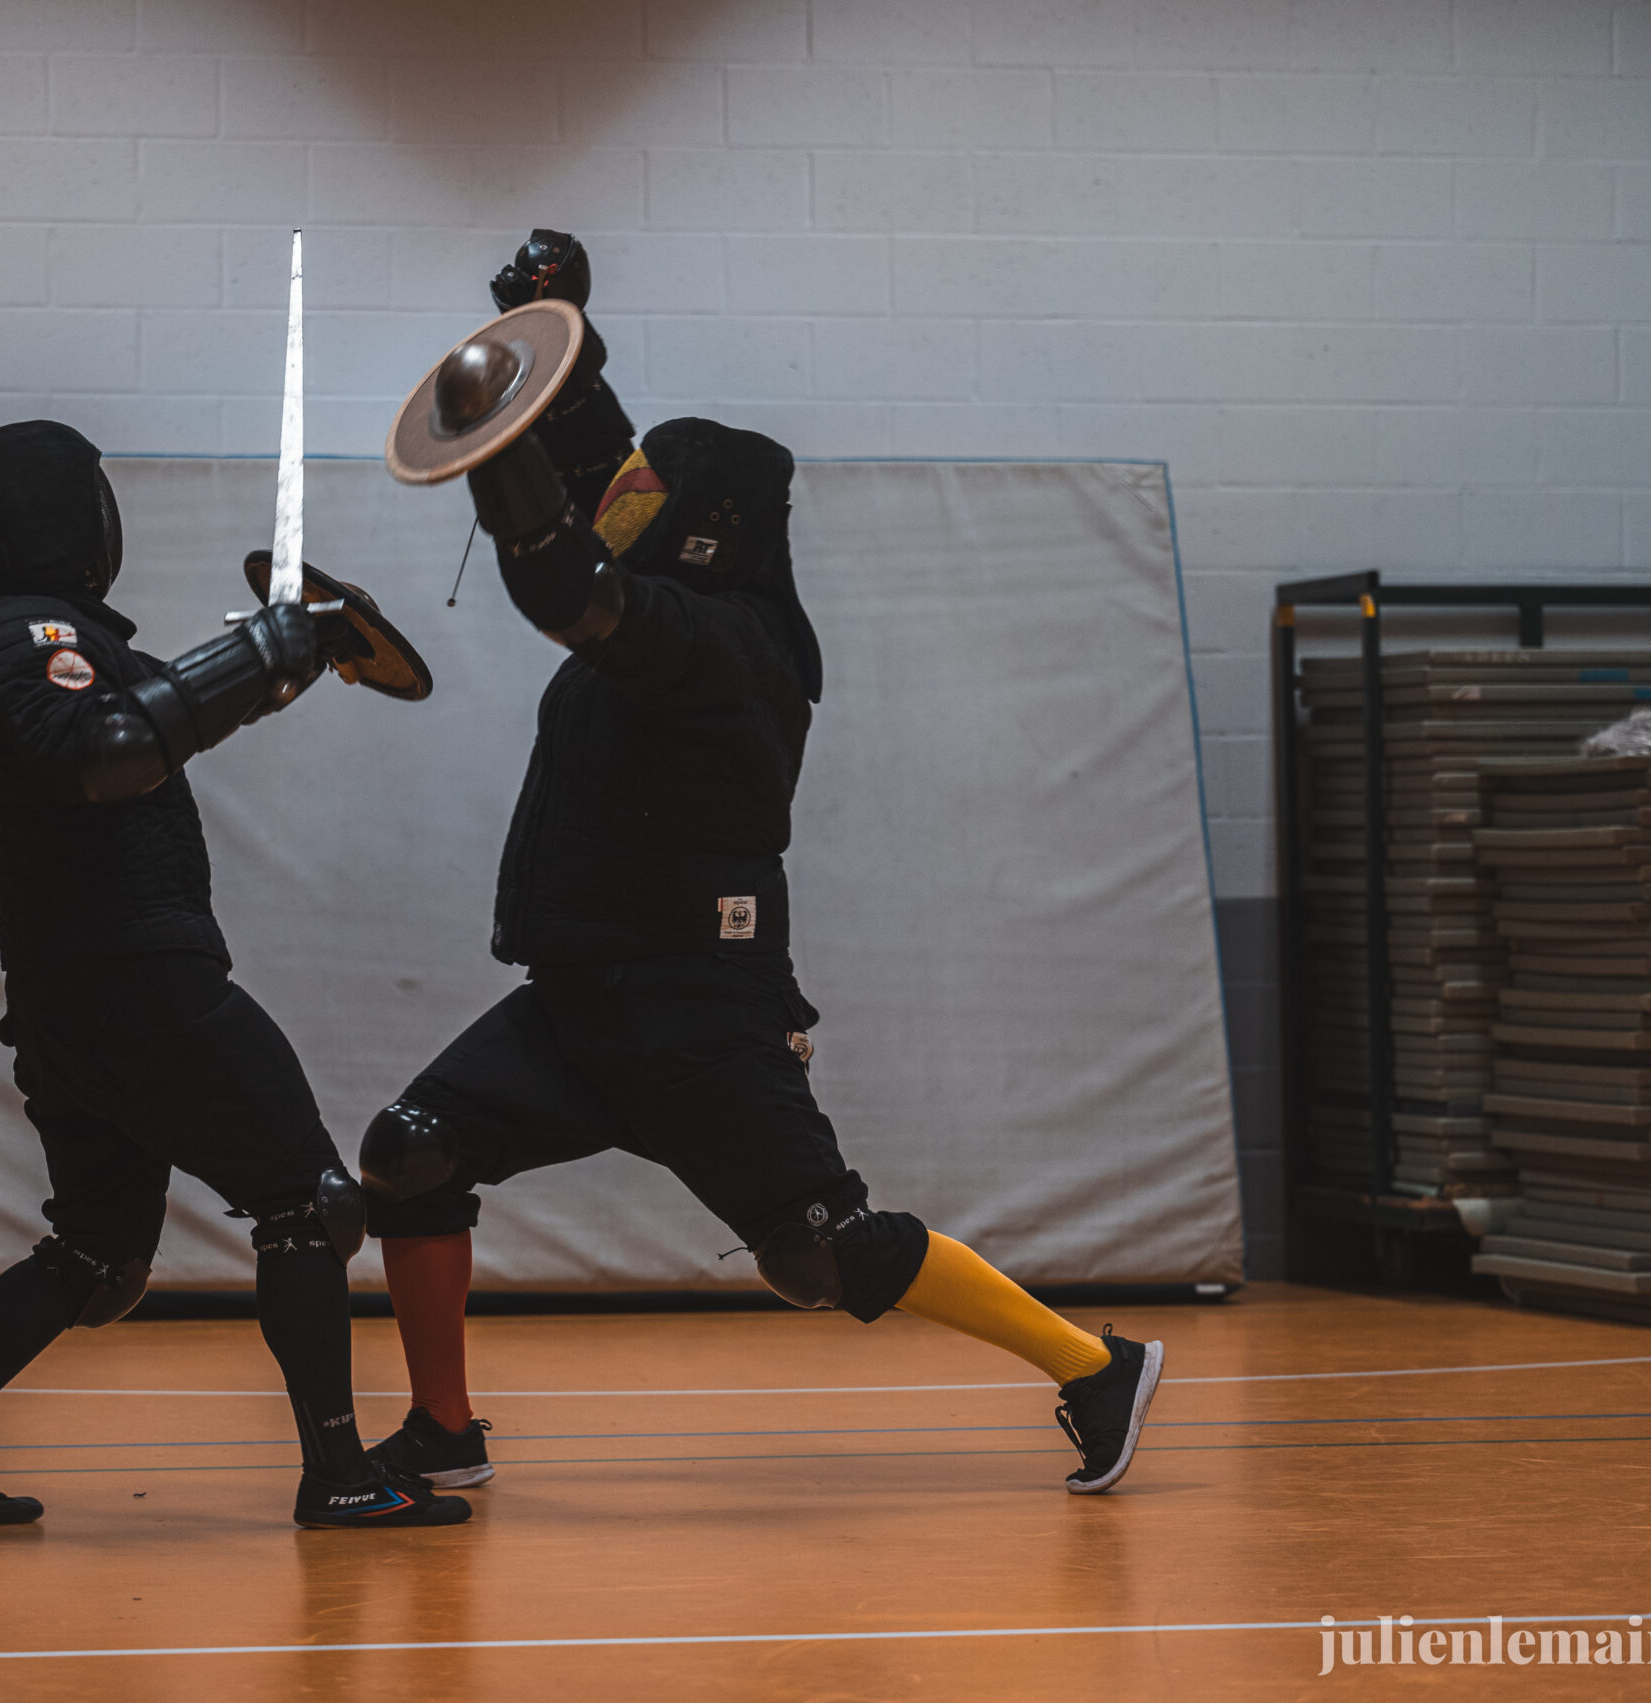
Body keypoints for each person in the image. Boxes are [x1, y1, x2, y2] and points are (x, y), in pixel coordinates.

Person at [359, 236, 1164, 1497]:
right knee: (414, 1151)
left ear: (703, 528)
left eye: (648, 502)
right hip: (580, 996)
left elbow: (571, 585)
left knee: (818, 1252)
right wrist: (550, 333)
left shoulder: (726, 643)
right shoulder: (678, 584)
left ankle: (1096, 1364)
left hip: (699, 1009)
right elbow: (604, 469)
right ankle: (443, 1430)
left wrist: (495, 459)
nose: (623, 506)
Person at [0, 419, 466, 1530]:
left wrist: (292, 652)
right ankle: (339, 1473)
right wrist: (260, 654)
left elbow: (150, 712)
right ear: (55, 517)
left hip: (70, 998)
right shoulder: (26, 634)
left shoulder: (13, 641)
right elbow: (106, 748)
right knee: (308, 1202)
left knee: (97, 1251)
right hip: (138, 986)